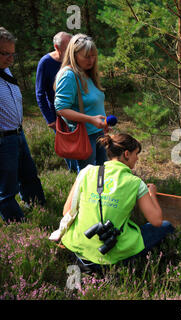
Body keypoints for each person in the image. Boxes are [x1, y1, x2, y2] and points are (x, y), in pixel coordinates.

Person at [58, 133, 174, 271]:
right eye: (136, 154)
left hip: (78, 248)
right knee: (166, 226)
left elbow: (67, 211)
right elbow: (156, 221)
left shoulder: (86, 172)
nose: (137, 158)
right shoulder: (135, 183)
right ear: (126, 154)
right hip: (112, 253)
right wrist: (152, 194)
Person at [0, 27, 45, 223]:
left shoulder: (5, 69)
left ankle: (38, 207)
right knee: (6, 186)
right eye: (5, 54)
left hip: (18, 134)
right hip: (3, 139)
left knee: (29, 175)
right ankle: (17, 224)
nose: (10, 59)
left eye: (13, 53)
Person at [54, 33, 108, 173]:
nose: (91, 60)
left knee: (102, 173)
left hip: (99, 132)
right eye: (86, 56)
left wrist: (103, 124)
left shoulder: (88, 73)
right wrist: (91, 119)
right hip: (85, 136)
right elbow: (61, 109)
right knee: (87, 176)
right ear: (74, 54)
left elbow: (95, 103)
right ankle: (85, 196)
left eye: (93, 55)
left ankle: (100, 195)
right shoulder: (69, 75)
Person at [35, 31, 77, 171]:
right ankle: (75, 176)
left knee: (82, 147)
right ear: (57, 47)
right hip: (57, 115)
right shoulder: (45, 63)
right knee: (68, 150)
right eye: (67, 48)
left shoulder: (74, 59)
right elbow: (40, 93)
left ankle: (85, 174)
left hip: (76, 112)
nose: (71, 51)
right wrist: (50, 119)